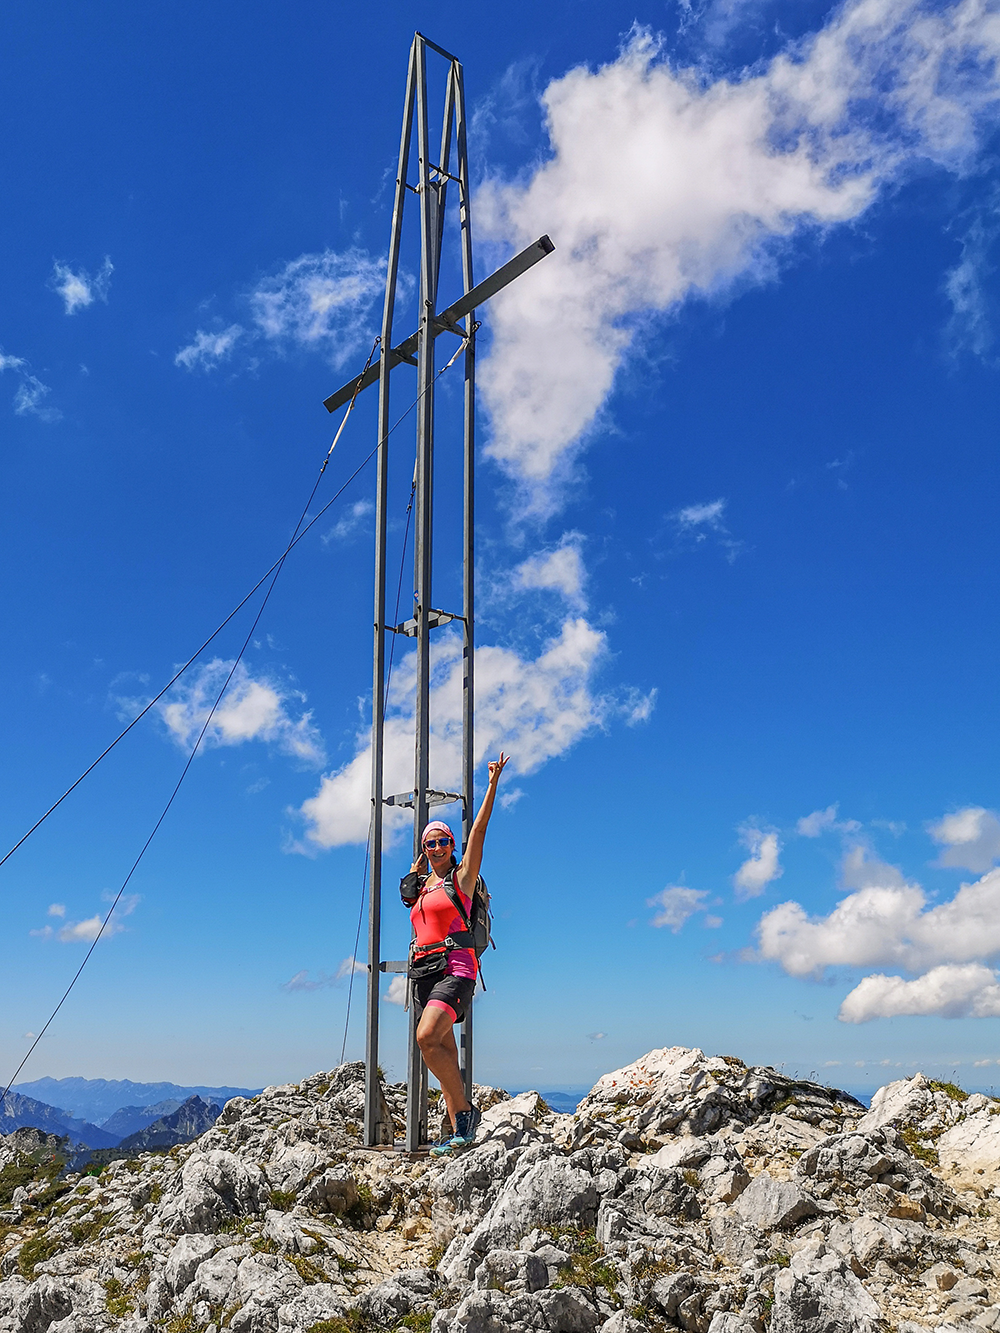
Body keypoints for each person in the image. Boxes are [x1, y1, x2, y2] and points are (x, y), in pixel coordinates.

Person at [401, 752, 509, 1155]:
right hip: (424, 973)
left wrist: (493, 784)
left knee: (427, 1036)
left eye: (443, 840)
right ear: (424, 848)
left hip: (457, 968)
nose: (437, 847)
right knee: (441, 1048)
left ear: (451, 845)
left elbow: (479, 831)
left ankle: (464, 1114)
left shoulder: (462, 879)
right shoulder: (420, 887)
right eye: (430, 842)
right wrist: (413, 882)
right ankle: (460, 1129)